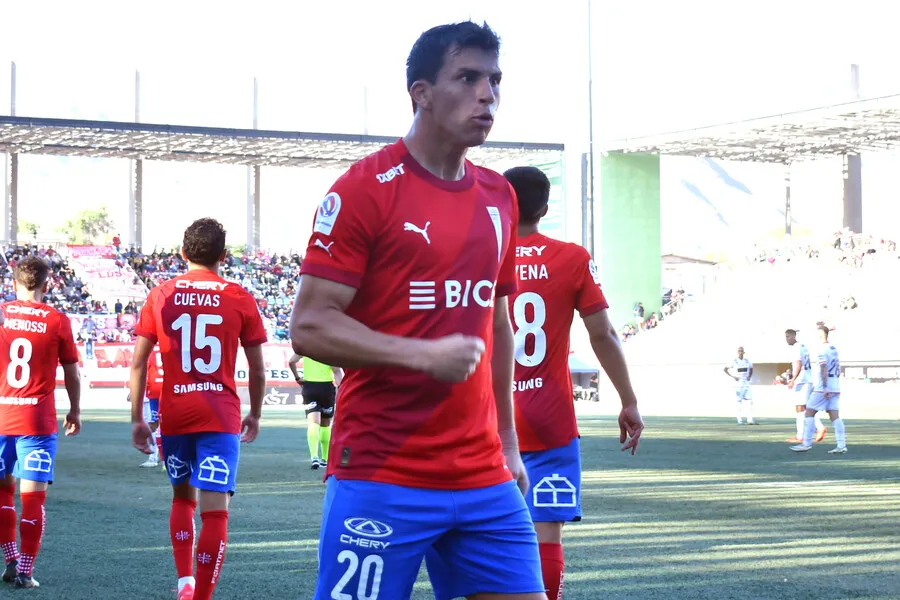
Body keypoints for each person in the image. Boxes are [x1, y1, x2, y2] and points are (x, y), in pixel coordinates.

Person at [291, 21, 548, 600]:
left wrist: (508, 440)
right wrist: (419, 355)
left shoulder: (499, 196)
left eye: (495, 80)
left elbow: (497, 324)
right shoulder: (363, 189)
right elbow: (308, 324)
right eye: (468, 78)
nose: (487, 94)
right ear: (422, 93)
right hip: (382, 472)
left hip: (483, 475)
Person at [502, 166, 644, 600]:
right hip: (550, 419)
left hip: (488, 418)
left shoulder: (479, 257)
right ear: (545, 209)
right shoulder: (572, 257)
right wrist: (628, 400)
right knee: (547, 532)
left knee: (486, 530)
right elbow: (603, 334)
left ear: (504, 204)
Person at [130, 218, 268, 600]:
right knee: (215, 511)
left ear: (182, 253)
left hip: (175, 413)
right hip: (219, 414)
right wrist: (256, 414)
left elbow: (139, 364)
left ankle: (184, 583)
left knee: (182, 499)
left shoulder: (160, 294)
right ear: (224, 255)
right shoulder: (239, 296)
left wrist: (137, 418)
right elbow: (257, 369)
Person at [0, 256, 82, 589]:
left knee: (4, 495)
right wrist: (75, 411)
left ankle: (10, 560)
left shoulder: (2, 314)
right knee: (33, 500)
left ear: (13, 283)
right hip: (36, 421)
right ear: (46, 286)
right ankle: (25, 571)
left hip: (1, 417)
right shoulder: (57, 320)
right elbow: (72, 373)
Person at [791, 325, 847, 454]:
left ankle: (806, 444)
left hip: (823, 388)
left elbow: (823, 367)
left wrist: (825, 386)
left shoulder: (822, 349)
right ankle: (841, 445)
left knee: (809, 412)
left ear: (821, 335)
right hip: (835, 386)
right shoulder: (833, 349)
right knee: (834, 416)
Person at [288, 353, 343, 470]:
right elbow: (337, 371)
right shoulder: (330, 350)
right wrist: (342, 389)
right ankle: (325, 460)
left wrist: (297, 377)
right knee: (325, 425)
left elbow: (292, 361)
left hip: (309, 387)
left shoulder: (307, 347)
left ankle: (314, 457)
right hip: (326, 389)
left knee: (313, 423)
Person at [784, 329, 826, 444]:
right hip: (808, 379)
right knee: (804, 408)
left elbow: (798, 364)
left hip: (802, 381)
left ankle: (815, 429)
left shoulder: (796, 348)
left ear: (793, 336)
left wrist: (793, 379)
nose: (786, 339)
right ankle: (804, 433)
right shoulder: (803, 347)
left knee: (800, 408)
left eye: (788, 337)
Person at [138, 344, 165, 468]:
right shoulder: (170, 344)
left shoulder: (147, 348)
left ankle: (154, 458)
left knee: (154, 425)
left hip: (154, 390)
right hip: (171, 389)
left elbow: (142, 370)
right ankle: (171, 458)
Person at [724, 347, 756, 424]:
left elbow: (751, 368)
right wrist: (733, 377)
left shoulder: (747, 361)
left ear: (744, 352)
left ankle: (749, 419)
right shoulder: (734, 361)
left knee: (749, 401)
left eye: (741, 351)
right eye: (739, 351)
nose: (740, 352)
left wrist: (749, 376)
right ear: (737, 352)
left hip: (746, 384)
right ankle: (739, 419)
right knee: (739, 402)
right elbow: (725, 369)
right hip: (738, 385)